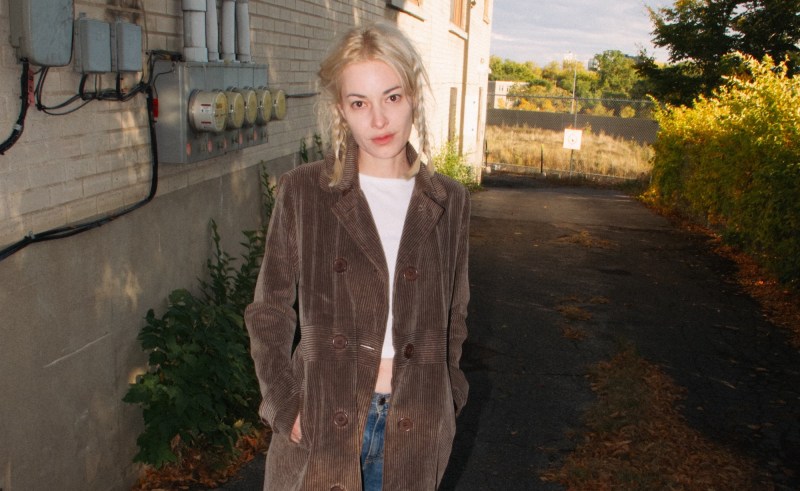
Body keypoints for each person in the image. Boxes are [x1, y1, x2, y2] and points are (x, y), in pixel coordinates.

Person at [244, 21, 470, 490]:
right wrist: (285, 404)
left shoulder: (449, 200)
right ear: (340, 111)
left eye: (392, 97)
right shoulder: (305, 191)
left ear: (413, 96)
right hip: (325, 420)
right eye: (359, 103)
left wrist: (449, 397)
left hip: (416, 424)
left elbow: (456, 312)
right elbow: (268, 311)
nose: (379, 120)